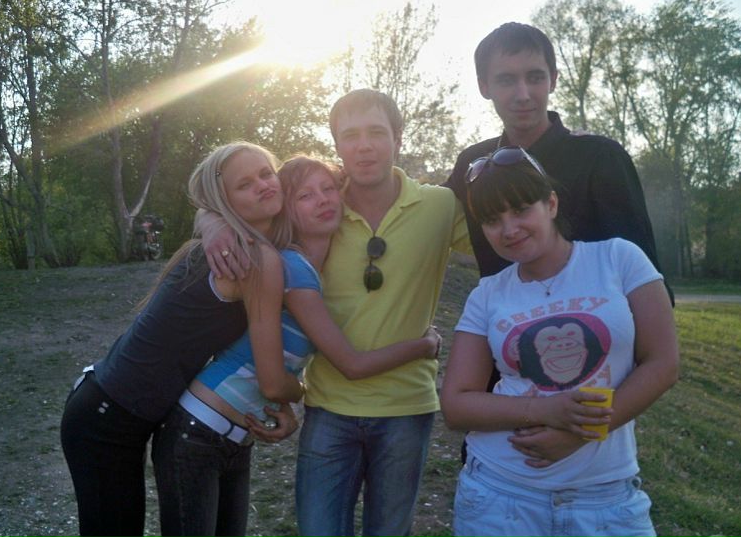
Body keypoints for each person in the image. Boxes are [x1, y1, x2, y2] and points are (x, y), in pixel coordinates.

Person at [201, 89, 471, 537]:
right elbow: (242, 203)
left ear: (398, 138)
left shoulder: (439, 206)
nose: (364, 146)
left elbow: (509, 235)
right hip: (329, 407)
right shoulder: (320, 206)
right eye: (351, 136)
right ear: (337, 145)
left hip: (406, 409)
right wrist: (210, 223)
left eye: (376, 133)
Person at [151, 155, 441, 537]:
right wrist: (424, 345)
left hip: (228, 433)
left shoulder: (309, 269)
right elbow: (350, 365)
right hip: (198, 427)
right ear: (287, 208)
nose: (322, 200)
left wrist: (282, 403)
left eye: (328, 189)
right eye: (305, 195)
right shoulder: (293, 268)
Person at [443, 21, 672, 462]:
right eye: (506, 80)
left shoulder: (600, 158)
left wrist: (587, 426)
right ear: (484, 86)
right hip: (502, 375)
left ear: (554, 79)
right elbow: (422, 208)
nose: (523, 93)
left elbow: (649, 297)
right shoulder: (474, 165)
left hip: (589, 380)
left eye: (535, 76)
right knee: (494, 470)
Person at [60, 141, 307, 537]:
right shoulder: (248, 257)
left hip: (115, 405)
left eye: (266, 173)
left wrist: (210, 220)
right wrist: (302, 394)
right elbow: (271, 376)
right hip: (106, 418)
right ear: (224, 203)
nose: (263, 185)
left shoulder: (241, 247)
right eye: (244, 184)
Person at [439, 146, 679, 537]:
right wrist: (546, 410)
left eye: (521, 210)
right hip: (500, 498)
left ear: (550, 204)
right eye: (492, 220)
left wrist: (581, 431)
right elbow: (456, 404)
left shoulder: (619, 259)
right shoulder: (487, 294)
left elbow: (663, 363)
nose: (509, 229)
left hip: (605, 502)